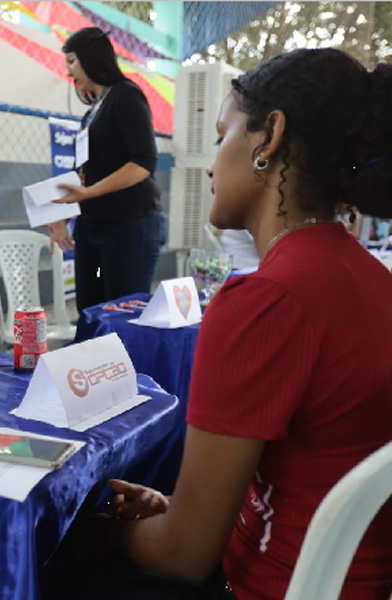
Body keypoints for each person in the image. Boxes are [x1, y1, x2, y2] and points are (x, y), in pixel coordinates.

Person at [41, 48, 392, 599]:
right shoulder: (373, 281)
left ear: (269, 138)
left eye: (223, 135)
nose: (207, 164)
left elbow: (183, 555)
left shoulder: (265, 299)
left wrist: (84, 532)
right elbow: (306, 476)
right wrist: (179, 510)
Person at [46, 27, 166, 312]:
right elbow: (84, 173)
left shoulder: (126, 95)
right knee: (91, 309)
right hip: (92, 229)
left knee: (121, 311)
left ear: (92, 57)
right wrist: (59, 216)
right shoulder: (91, 113)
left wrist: (88, 193)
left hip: (128, 228)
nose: (69, 71)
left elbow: (144, 162)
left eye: (72, 61)